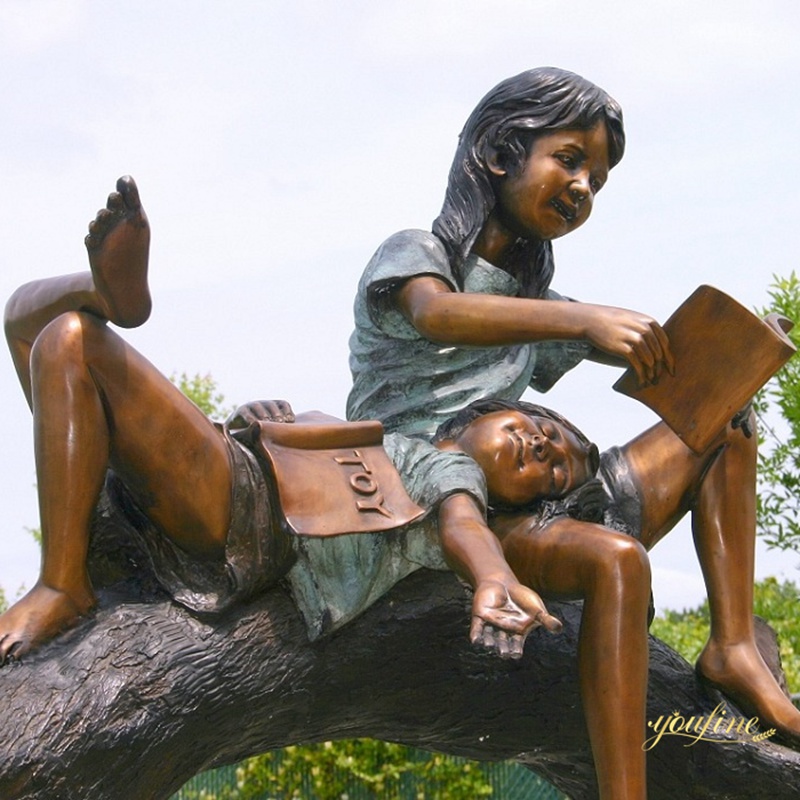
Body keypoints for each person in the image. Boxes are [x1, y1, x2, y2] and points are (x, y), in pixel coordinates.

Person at [0, 176, 588, 665]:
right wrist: (254, 422)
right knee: (26, 323)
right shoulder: (379, 434)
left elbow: (465, 529)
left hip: (245, 513)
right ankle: (109, 295)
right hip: (215, 464)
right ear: (498, 404)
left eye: (555, 474)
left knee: (71, 339)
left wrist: (492, 577)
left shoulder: (450, 473)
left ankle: (61, 583)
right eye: (547, 430)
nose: (543, 448)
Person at [347, 66, 673, 438]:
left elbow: (648, 352)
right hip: (393, 467)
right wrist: (585, 320)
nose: (583, 187)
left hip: (501, 475)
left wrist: (727, 362)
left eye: (596, 182)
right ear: (500, 155)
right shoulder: (416, 251)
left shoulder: (534, 308)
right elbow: (436, 313)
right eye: (568, 160)